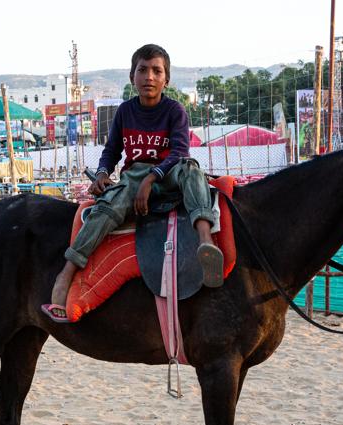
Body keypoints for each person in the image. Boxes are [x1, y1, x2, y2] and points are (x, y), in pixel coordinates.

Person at [42, 43, 222, 323]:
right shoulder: (125, 111)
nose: (149, 76)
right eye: (143, 70)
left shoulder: (175, 110)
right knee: (107, 206)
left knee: (192, 170)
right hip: (135, 175)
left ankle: (205, 241)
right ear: (132, 76)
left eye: (156, 71)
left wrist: (153, 177)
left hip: (169, 171)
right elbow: (111, 151)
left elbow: (178, 152)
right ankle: (68, 269)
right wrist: (102, 173)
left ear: (166, 79)